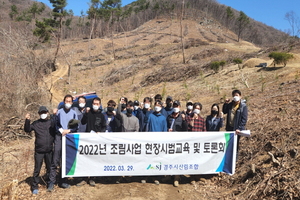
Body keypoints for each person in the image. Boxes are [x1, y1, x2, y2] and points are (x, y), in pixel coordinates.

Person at [48, 94, 78, 192]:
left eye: (70, 101)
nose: (68, 103)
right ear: (63, 102)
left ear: (72, 103)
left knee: (65, 160)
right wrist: (62, 131)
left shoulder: (74, 113)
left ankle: (62, 181)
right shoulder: (59, 112)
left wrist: (68, 131)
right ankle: (51, 182)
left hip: (69, 138)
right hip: (59, 137)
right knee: (55, 159)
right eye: (66, 101)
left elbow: (75, 127)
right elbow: (55, 124)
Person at [24, 106, 56, 194]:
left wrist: (54, 115)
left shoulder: (51, 122)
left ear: (47, 113)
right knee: (37, 169)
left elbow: (56, 126)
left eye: (45, 112)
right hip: (39, 151)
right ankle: (34, 186)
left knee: (49, 168)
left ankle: (50, 183)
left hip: (49, 150)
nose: (43, 114)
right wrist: (27, 120)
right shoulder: (36, 123)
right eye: (41, 113)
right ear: (39, 114)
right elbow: (27, 129)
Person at [166, 100, 188, 187]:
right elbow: (166, 126)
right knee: (169, 158)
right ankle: (168, 175)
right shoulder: (169, 117)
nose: (175, 107)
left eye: (177, 106)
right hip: (170, 141)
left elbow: (185, 129)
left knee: (177, 159)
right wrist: (168, 130)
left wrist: (184, 120)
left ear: (180, 107)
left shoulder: (182, 117)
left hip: (178, 142)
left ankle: (176, 177)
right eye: (174, 106)